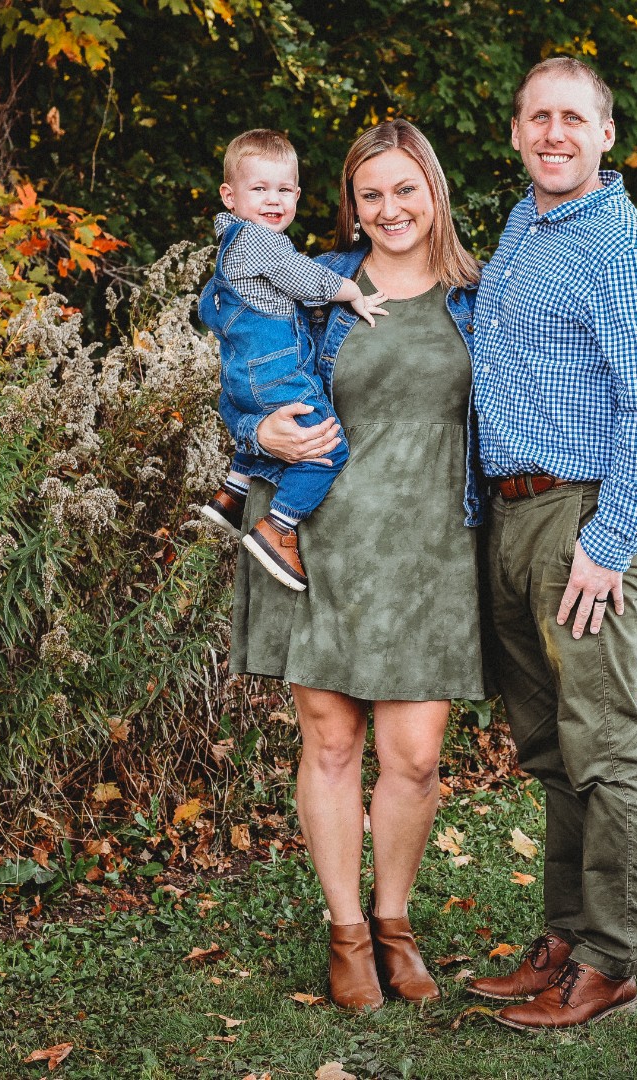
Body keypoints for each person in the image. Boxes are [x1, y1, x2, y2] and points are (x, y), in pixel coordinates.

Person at [230, 119, 486, 1011]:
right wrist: (252, 431)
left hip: (431, 548)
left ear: (434, 192)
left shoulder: (478, 294)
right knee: (332, 742)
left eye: (405, 190)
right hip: (319, 533)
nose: (389, 210)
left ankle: (396, 925)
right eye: (370, 195)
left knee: (414, 757)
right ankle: (347, 937)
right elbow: (245, 368)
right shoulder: (312, 283)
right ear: (352, 205)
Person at [464, 57, 637, 1030]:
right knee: (551, 748)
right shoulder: (527, 223)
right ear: (516, 133)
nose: (552, 134)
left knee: (602, 746)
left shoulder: (624, 248)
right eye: (537, 118)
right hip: (512, 514)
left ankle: (610, 959)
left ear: (604, 135)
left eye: (572, 118)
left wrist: (609, 541)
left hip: (583, 519)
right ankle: (563, 936)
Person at [198, 128, 387, 592]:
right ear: (230, 195)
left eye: (284, 190)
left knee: (269, 420)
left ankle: (233, 495)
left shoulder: (229, 246)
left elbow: (209, 307)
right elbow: (304, 278)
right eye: (258, 189)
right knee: (326, 449)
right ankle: (278, 528)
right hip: (276, 369)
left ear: (298, 195)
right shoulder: (261, 242)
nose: (273, 200)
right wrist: (351, 293)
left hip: (244, 374)